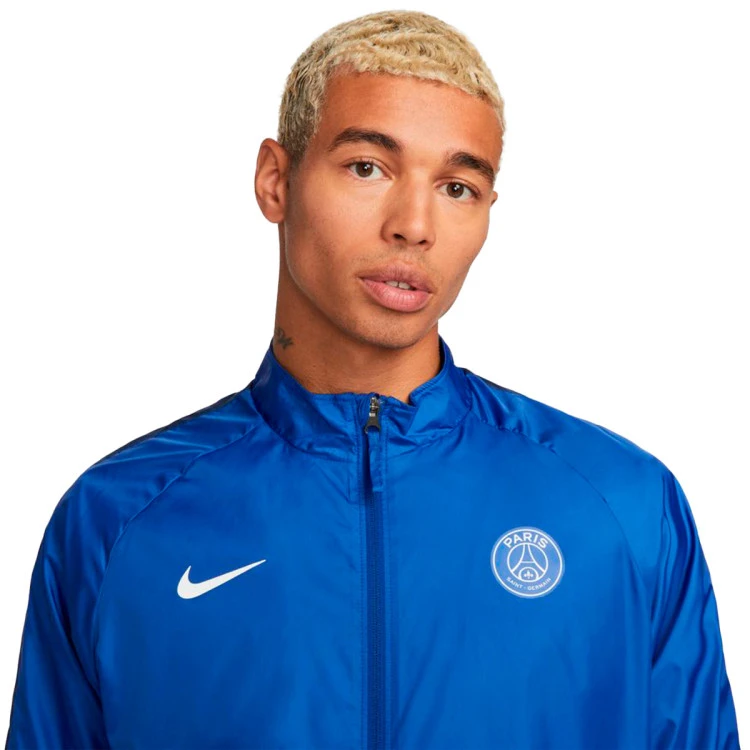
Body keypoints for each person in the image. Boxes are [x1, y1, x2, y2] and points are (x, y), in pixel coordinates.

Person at [5, 9, 740, 750]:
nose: (414, 224)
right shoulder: (119, 520)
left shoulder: (622, 508)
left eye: (458, 186)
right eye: (368, 167)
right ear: (275, 181)